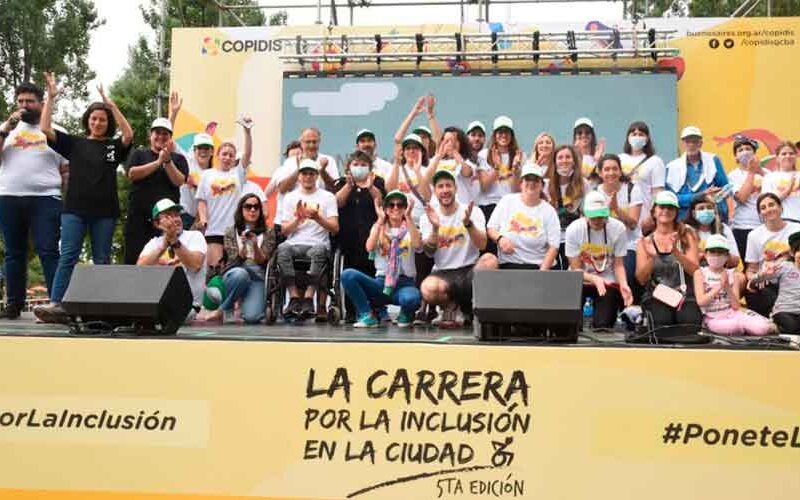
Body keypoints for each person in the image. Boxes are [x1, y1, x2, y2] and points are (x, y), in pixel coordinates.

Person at [34, 73, 133, 323]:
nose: (98, 122)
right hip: (74, 210)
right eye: (94, 118)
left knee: (102, 259)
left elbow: (129, 135)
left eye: (102, 119)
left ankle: (100, 307)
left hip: (105, 213)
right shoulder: (74, 143)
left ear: (107, 123)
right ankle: (56, 304)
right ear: (88, 121)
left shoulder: (113, 146)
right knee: (68, 255)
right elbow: (45, 129)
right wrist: (51, 96)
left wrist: (112, 106)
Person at [0, 82, 67, 319]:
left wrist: (66, 201)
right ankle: (14, 304)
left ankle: (57, 303)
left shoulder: (54, 130)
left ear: (41, 103)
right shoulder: (6, 131)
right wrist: (5, 128)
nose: (24, 106)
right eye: (20, 102)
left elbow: (66, 169)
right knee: (13, 252)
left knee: (48, 250)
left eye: (29, 101)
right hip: (9, 197)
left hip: (46, 198)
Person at [341, 190, 422, 328]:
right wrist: (379, 221)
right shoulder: (377, 227)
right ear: (385, 209)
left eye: (400, 205)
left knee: (411, 299)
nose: (395, 208)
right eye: (391, 205)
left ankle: (406, 314)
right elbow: (369, 247)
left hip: (404, 283)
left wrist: (408, 217)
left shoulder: (411, 228)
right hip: (381, 283)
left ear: (405, 208)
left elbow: (417, 245)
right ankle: (367, 314)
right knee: (348, 275)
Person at [419, 168, 488, 328]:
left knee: (490, 261)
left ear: (455, 188)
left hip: (470, 270)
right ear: (435, 191)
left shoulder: (473, 211)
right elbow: (429, 252)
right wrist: (435, 228)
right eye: (440, 186)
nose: (445, 190)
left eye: (448, 186)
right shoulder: (427, 216)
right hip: (443, 274)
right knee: (428, 289)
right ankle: (451, 304)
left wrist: (468, 224)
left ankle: (469, 307)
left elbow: (482, 245)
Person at [277, 159, 339, 320]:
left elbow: (335, 227)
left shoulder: (327, 197)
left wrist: (318, 218)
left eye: (312, 173)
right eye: (304, 173)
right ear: (299, 176)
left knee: (318, 251)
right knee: (282, 249)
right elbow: (284, 230)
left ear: (317, 175)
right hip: (294, 243)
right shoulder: (290, 197)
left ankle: (309, 298)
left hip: (318, 244)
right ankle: (294, 297)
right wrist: (298, 218)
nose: (308, 177)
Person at [635, 191, 702, 337]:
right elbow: (641, 279)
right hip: (657, 295)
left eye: (670, 208)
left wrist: (677, 253)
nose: (665, 211)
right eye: (662, 207)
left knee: (689, 324)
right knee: (660, 325)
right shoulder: (644, 242)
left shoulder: (687, 235)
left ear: (676, 212)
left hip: (685, 295)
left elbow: (695, 271)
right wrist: (652, 258)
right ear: (654, 211)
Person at [202, 194, 276, 324]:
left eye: (256, 207)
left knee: (252, 317)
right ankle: (223, 310)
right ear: (241, 210)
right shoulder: (231, 231)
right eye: (248, 207)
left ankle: (242, 304)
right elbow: (233, 261)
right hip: (236, 272)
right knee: (241, 274)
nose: (252, 210)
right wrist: (243, 247)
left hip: (257, 276)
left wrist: (254, 245)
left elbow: (264, 261)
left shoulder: (268, 232)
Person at [124, 118, 189, 264]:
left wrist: (167, 161)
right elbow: (132, 174)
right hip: (138, 219)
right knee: (134, 262)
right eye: (157, 133)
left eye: (165, 134)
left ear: (170, 137)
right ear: (150, 135)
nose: (161, 137)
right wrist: (158, 162)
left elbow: (179, 181)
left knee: (165, 261)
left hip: (166, 221)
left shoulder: (178, 159)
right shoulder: (139, 154)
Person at [566, 191, 633, 328]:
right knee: (570, 325)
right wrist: (594, 279)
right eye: (593, 217)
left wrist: (624, 284)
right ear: (584, 215)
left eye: (601, 216)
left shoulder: (618, 229)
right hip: (580, 279)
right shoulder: (574, 229)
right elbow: (575, 267)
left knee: (604, 324)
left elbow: (618, 264)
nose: (597, 220)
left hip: (607, 280)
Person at [334, 150, 386, 322]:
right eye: (356, 164)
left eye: (363, 165)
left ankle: (375, 309)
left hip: (371, 239)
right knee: (349, 273)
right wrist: (348, 186)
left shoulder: (377, 182)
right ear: (348, 167)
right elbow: (337, 203)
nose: (359, 167)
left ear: (370, 168)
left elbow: (380, 201)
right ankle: (351, 311)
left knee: (371, 274)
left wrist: (370, 187)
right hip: (348, 240)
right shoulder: (341, 183)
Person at [477, 164, 560, 270]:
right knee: (487, 260)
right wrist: (500, 239)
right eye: (527, 179)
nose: (531, 183)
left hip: (537, 266)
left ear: (542, 186)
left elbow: (554, 246)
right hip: (509, 263)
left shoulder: (549, 210)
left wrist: (542, 272)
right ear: (521, 184)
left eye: (536, 180)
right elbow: (491, 228)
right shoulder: (507, 201)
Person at [195, 118, 253, 270]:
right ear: (218, 155)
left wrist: (247, 132)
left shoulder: (237, 174)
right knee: (216, 271)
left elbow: (247, 155)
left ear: (234, 159)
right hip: (213, 229)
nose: (227, 157)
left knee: (233, 270)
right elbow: (201, 200)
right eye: (224, 154)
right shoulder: (207, 175)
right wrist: (203, 218)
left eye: (231, 155)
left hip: (234, 231)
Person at [137, 199, 207, 320]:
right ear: (157, 223)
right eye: (168, 216)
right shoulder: (153, 243)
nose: (175, 220)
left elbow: (195, 265)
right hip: (158, 305)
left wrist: (174, 241)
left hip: (188, 307)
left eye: (176, 215)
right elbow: (139, 270)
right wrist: (163, 246)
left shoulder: (195, 236)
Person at [694, 234, 771, 336]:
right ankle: (743, 328)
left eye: (720, 253)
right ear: (705, 254)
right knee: (732, 326)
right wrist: (719, 286)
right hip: (713, 317)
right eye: (712, 252)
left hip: (732, 313)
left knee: (762, 328)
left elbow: (736, 306)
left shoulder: (732, 274)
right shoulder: (700, 273)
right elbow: (701, 302)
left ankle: (759, 326)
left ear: (727, 256)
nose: (716, 256)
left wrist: (727, 287)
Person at [594, 154, 643, 300]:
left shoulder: (632, 189)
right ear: (600, 172)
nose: (611, 173)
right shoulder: (595, 192)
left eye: (615, 169)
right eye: (607, 169)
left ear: (620, 171)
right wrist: (606, 212)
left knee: (627, 274)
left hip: (629, 244)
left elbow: (633, 223)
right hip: (603, 245)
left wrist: (616, 209)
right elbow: (593, 222)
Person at [744, 193, 800, 317]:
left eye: (771, 205)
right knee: (755, 292)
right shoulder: (754, 235)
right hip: (767, 280)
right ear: (760, 214)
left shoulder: (797, 229)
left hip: (793, 277)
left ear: (781, 207)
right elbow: (751, 268)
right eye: (763, 208)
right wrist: (754, 279)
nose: (768, 209)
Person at [477, 116, 524, 253]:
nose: (503, 135)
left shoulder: (519, 155)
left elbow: (517, 190)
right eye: (500, 132)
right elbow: (484, 187)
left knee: (508, 248)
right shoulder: (484, 154)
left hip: (510, 208)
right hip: (488, 206)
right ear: (494, 135)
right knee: (489, 251)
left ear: (512, 135)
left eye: (507, 132)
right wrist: (497, 167)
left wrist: (515, 169)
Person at [665, 126, 732, 222]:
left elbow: (726, 188)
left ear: (701, 143)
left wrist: (729, 210)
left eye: (695, 141)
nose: (691, 145)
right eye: (688, 141)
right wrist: (700, 195)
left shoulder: (713, 160)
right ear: (682, 144)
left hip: (711, 216)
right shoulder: (672, 167)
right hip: (684, 218)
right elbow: (672, 198)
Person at [546, 145, 589, 269]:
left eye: (568, 157)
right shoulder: (546, 185)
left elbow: (587, 214)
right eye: (560, 157)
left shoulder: (584, 185)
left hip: (576, 238)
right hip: (554, 239)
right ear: (554, 162)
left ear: (574, 161)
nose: (564, 160)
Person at [618, 121, 665, 231]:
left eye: (641, 134)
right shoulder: (619, 158)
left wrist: (652, 217)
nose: (637, 136)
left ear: (647, 138)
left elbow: (657, 193)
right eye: (634, 134)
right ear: (628, 138)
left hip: (644, 217)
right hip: (621, 214)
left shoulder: (655, 161)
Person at [752, 231, 800, 333]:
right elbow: (755, 281)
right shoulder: (784, 266)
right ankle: (773, 326)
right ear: (792, 253)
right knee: (791, 327)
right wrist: (764, 274)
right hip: (784, 310)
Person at [728, 135, 765, 259]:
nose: (745, 152)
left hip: (765, 227)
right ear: (736, 157)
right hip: (742, 228)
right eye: (740, 150)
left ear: (754, 153)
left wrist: (760, 171)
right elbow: (742, 197)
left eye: (748, 149)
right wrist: (751, 172)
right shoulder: (733, 176)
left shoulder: (767, 174)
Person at [422, 127, 476, 204]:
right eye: (446, 141)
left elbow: (467, 173)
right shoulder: (434, 161)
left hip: (460, 206)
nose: (450, 143)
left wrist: (454, 153)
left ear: (461, 143)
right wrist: (438, 156)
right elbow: (426, 180)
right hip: (437, 207)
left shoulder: (468, 161)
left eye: (454, 140)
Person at [684, 194, 740, 268]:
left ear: (714, 211)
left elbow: (735, 260)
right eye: (701, 208)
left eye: (709, 207)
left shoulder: (724, 228)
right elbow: (687, 260)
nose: (706, 211)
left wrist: (717, 254)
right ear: (694, 213)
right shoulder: (687, 230)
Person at [179, 132, 215, 229]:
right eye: (199, 148)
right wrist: (173, 116)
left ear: (212, 151)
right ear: (194, 150)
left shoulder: (214, 175)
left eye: (206, 148)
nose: (203, 151)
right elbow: (170, 143)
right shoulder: (187, 162)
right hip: (181, 216)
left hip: (201, 221)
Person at [762, 141, 800, 223]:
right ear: (777, 158)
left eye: (791, 153)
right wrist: (788, 190)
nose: (788, 156)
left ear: (796, 156)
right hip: (780, 222)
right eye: (784, 154)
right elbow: (767, 202)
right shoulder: (769, 177)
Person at [573, 117, 605, 185]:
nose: (583, 135)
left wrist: (598, 161)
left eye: (587, 132)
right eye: (579, 133)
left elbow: (599, 180)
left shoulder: (599, 157)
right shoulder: (570, 157)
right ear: (575, 136)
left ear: (592, 135)